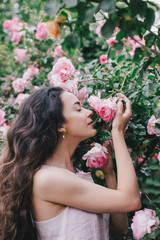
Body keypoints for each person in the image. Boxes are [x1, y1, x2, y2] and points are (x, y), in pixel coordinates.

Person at [0, 87, 141, 240]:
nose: (89, 112)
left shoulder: (78, 176)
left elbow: (120, 228)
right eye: (78, 109)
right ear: (60, 125)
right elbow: (131, 201)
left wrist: (109, 174)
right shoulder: (48, 179)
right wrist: (118, 132)